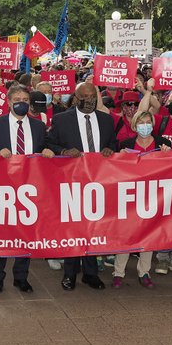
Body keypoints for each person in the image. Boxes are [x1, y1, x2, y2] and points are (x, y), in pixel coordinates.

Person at [46, 82, 116, 291]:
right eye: (85, 97)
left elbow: (113, 144)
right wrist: (64, 152)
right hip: (72, 181)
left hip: (98, 182)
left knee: (94, 227)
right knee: (73, 229)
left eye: (93, 96)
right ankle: (70, 274)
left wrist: (108, 149)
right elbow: (49, 143)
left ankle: (91, 274)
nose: (90, 101)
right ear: (76, 98)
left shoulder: (106, 120)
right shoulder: (61, 120)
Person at [0, 85, 54, 294]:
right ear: (8, 102)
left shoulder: (38, 126)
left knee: (26, 233)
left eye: (25, 98)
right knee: (1, 235)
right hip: (3, 188)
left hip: (29, 190)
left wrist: (48, 151)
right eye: (17, 98)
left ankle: (21, 277)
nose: (22, 101)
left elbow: (43, 149)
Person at [113, 111, 171, 290]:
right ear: (135, 125)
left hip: (154, 196)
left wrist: (168, 154)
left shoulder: (163, 143)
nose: (144, 125)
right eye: (141, 122)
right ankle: (118, 272)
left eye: (148, 122)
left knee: (149, 233)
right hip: (130, 196)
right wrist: (120, 156)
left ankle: (144, 272)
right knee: (126, 233)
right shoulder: (126, 144)